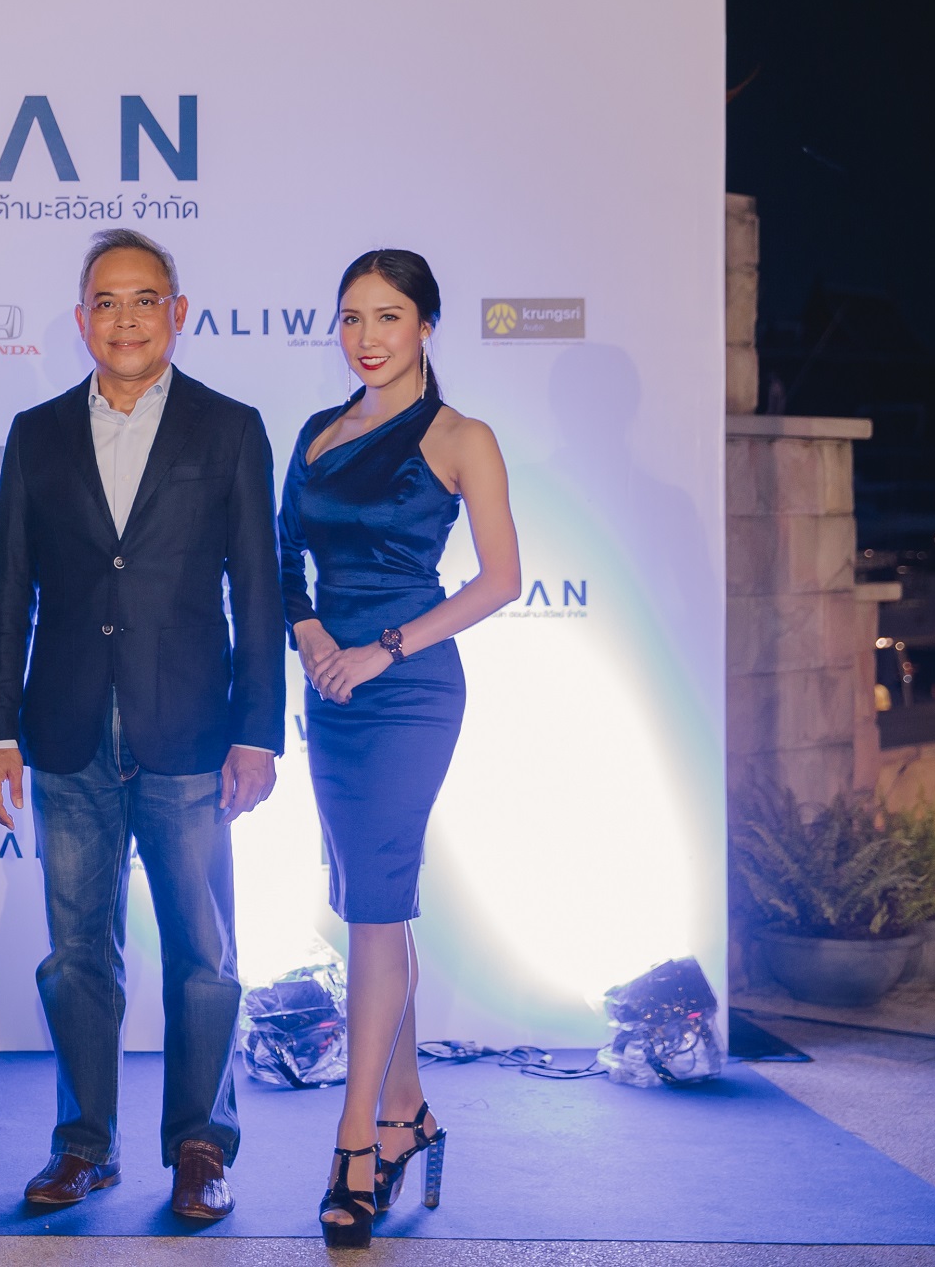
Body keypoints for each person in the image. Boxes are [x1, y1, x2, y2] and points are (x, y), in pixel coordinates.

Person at [0, 227, 282, 1225]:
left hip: (190, 733)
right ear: (81, 320)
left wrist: (258, 732)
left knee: (202, 953)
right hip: (64, 732)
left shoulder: (229, 430)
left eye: (145, 299)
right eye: (106, 302)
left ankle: (201, 1144)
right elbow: (6, 590)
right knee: (76, 956)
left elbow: (260, 592)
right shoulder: (36, 433)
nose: (126, 319)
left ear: (177, 313)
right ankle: (84, 1145)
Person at [278, 249, 519, 1247]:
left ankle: (354, 1145)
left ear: (426, 326)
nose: (366, 337)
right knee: (369, 907)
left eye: (387, 316)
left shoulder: (461, 437)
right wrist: (312, 637)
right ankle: (407, 1109)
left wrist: (383, 649)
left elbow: (500, 580)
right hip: (331, 687)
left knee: (375, 908)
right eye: (350, 317)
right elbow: (283, 556)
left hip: (410, 687)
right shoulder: (317, 432)